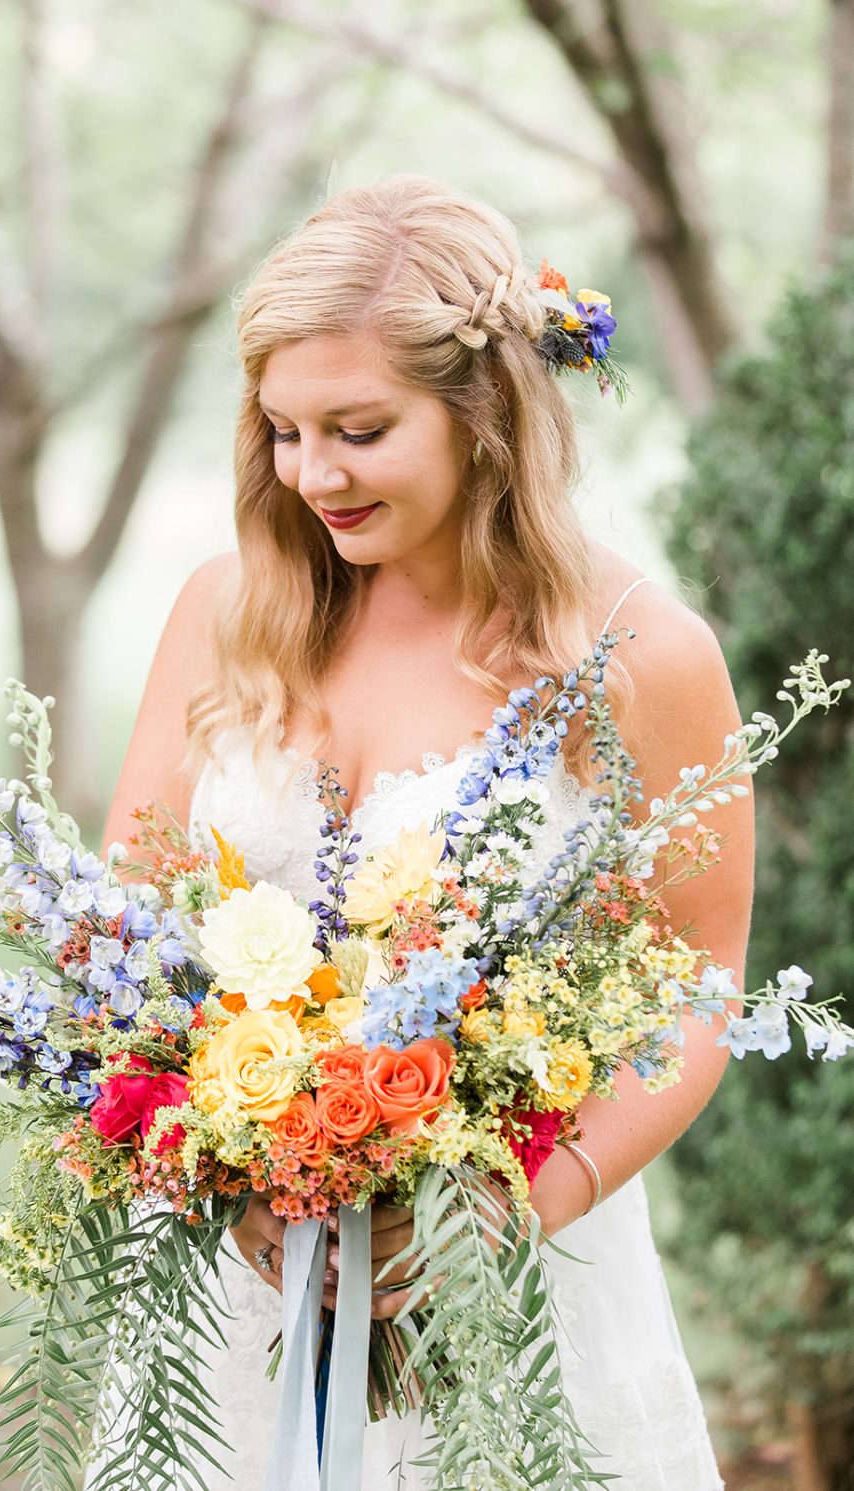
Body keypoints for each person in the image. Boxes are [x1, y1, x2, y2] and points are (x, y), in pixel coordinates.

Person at [101, 175, 753, 1489]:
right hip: (227, 1274)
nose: (311, 475)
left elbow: (696, 982)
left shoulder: (640, 656)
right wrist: (210, 1152)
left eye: (357, 429)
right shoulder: (225, 612)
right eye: (282, 432)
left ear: (486, 415)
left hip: (506, 1275)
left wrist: (518, 1198)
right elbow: (128, 909)